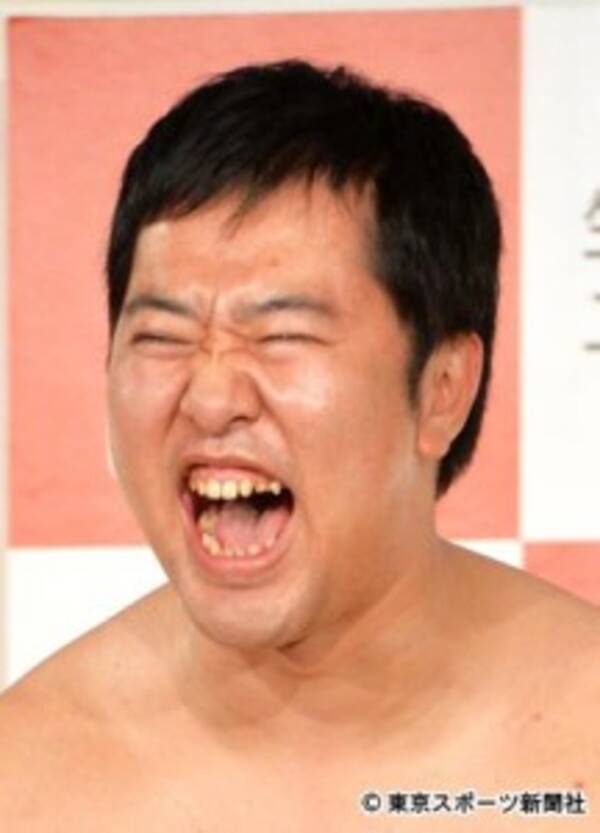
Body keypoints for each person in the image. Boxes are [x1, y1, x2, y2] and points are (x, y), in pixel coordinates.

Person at [1, 59, 598, 831]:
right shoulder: (28, 774)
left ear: (443, 387)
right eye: (161, 336)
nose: (211, 396)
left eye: (282, 335)